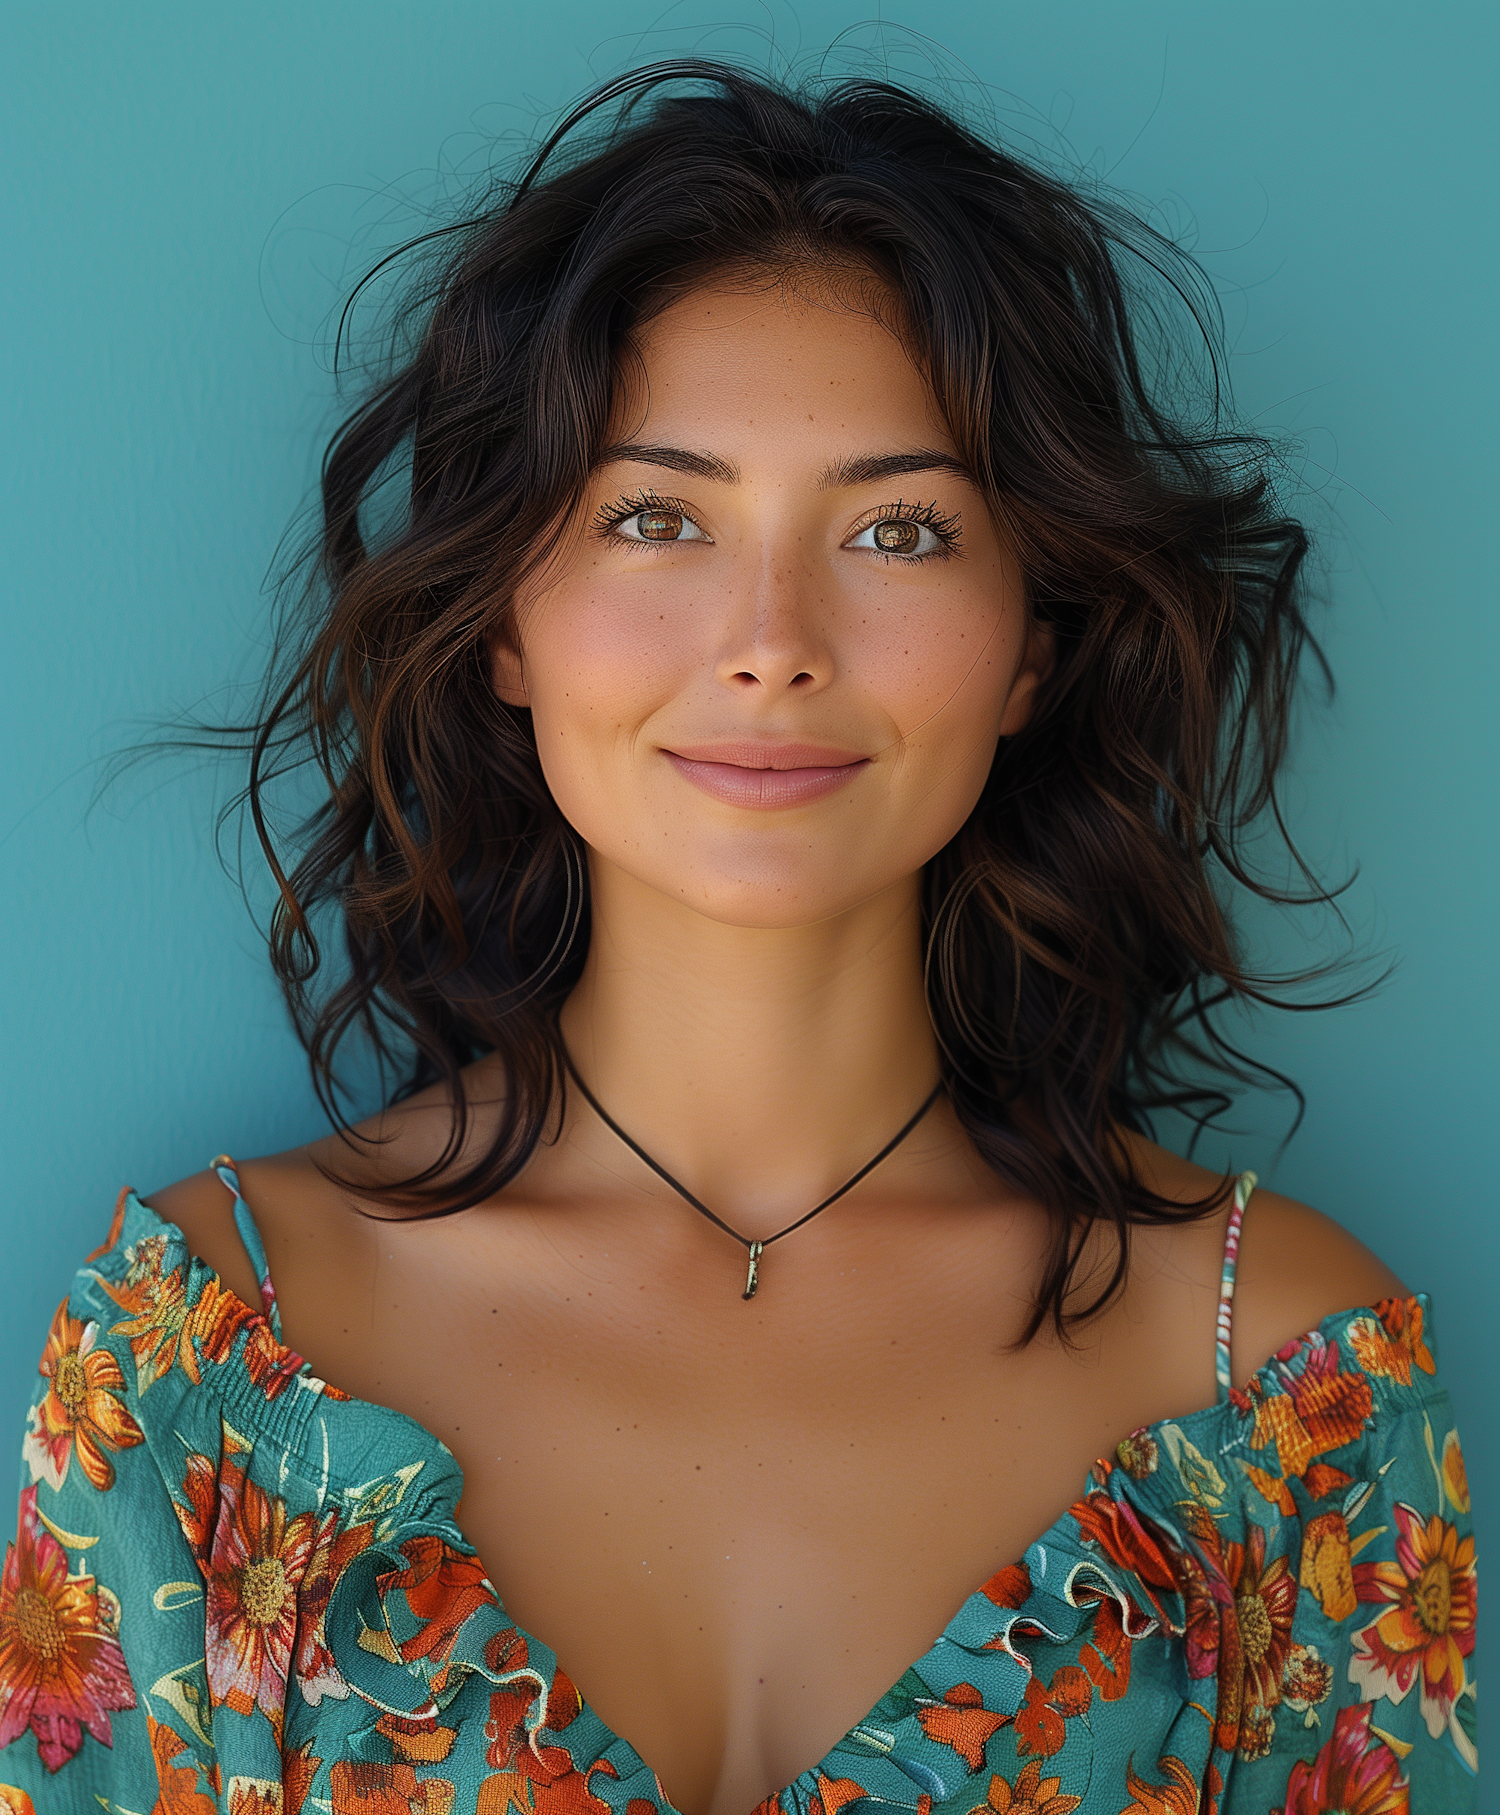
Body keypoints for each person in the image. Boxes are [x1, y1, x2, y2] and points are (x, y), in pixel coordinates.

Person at [0, 61, 1475, 1815]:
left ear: (1031, 645)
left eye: (899, 529)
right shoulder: (201, 1359)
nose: (773, 640)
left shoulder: (1280, 1385)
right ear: (505, 623)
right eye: (658, 517)